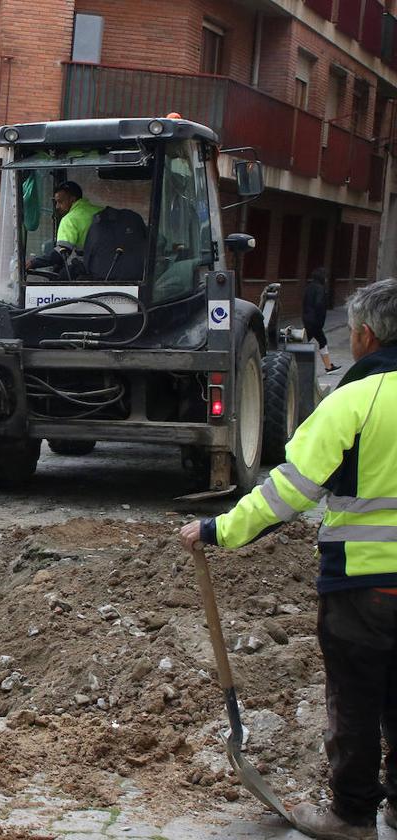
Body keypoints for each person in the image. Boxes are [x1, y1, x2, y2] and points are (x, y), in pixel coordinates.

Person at [181, 277, 397, 840]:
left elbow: (288, 493)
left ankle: (353, 816)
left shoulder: (355, 400)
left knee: (355, 702)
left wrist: (217, 530)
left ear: (366, 336)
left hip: (363, 585)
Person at [26, 181, 103, 271]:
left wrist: (33, 263)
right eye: (56, 202)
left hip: (92, 269)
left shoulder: (70, 219)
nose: (57, 206)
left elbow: (61, 254)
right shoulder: (101, 210)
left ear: (72, 200)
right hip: (113, 267)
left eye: (60, 202)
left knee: (61, 277)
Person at [305, 267, 341, 373]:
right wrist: (320, 320)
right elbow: (319, 304)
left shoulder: (309, 287)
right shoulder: (320, 289)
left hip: (308, 319)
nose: (326, 279)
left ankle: (328, 366)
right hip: (315, 321)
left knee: (320, 341)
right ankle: (328, 367)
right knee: (309, 342)